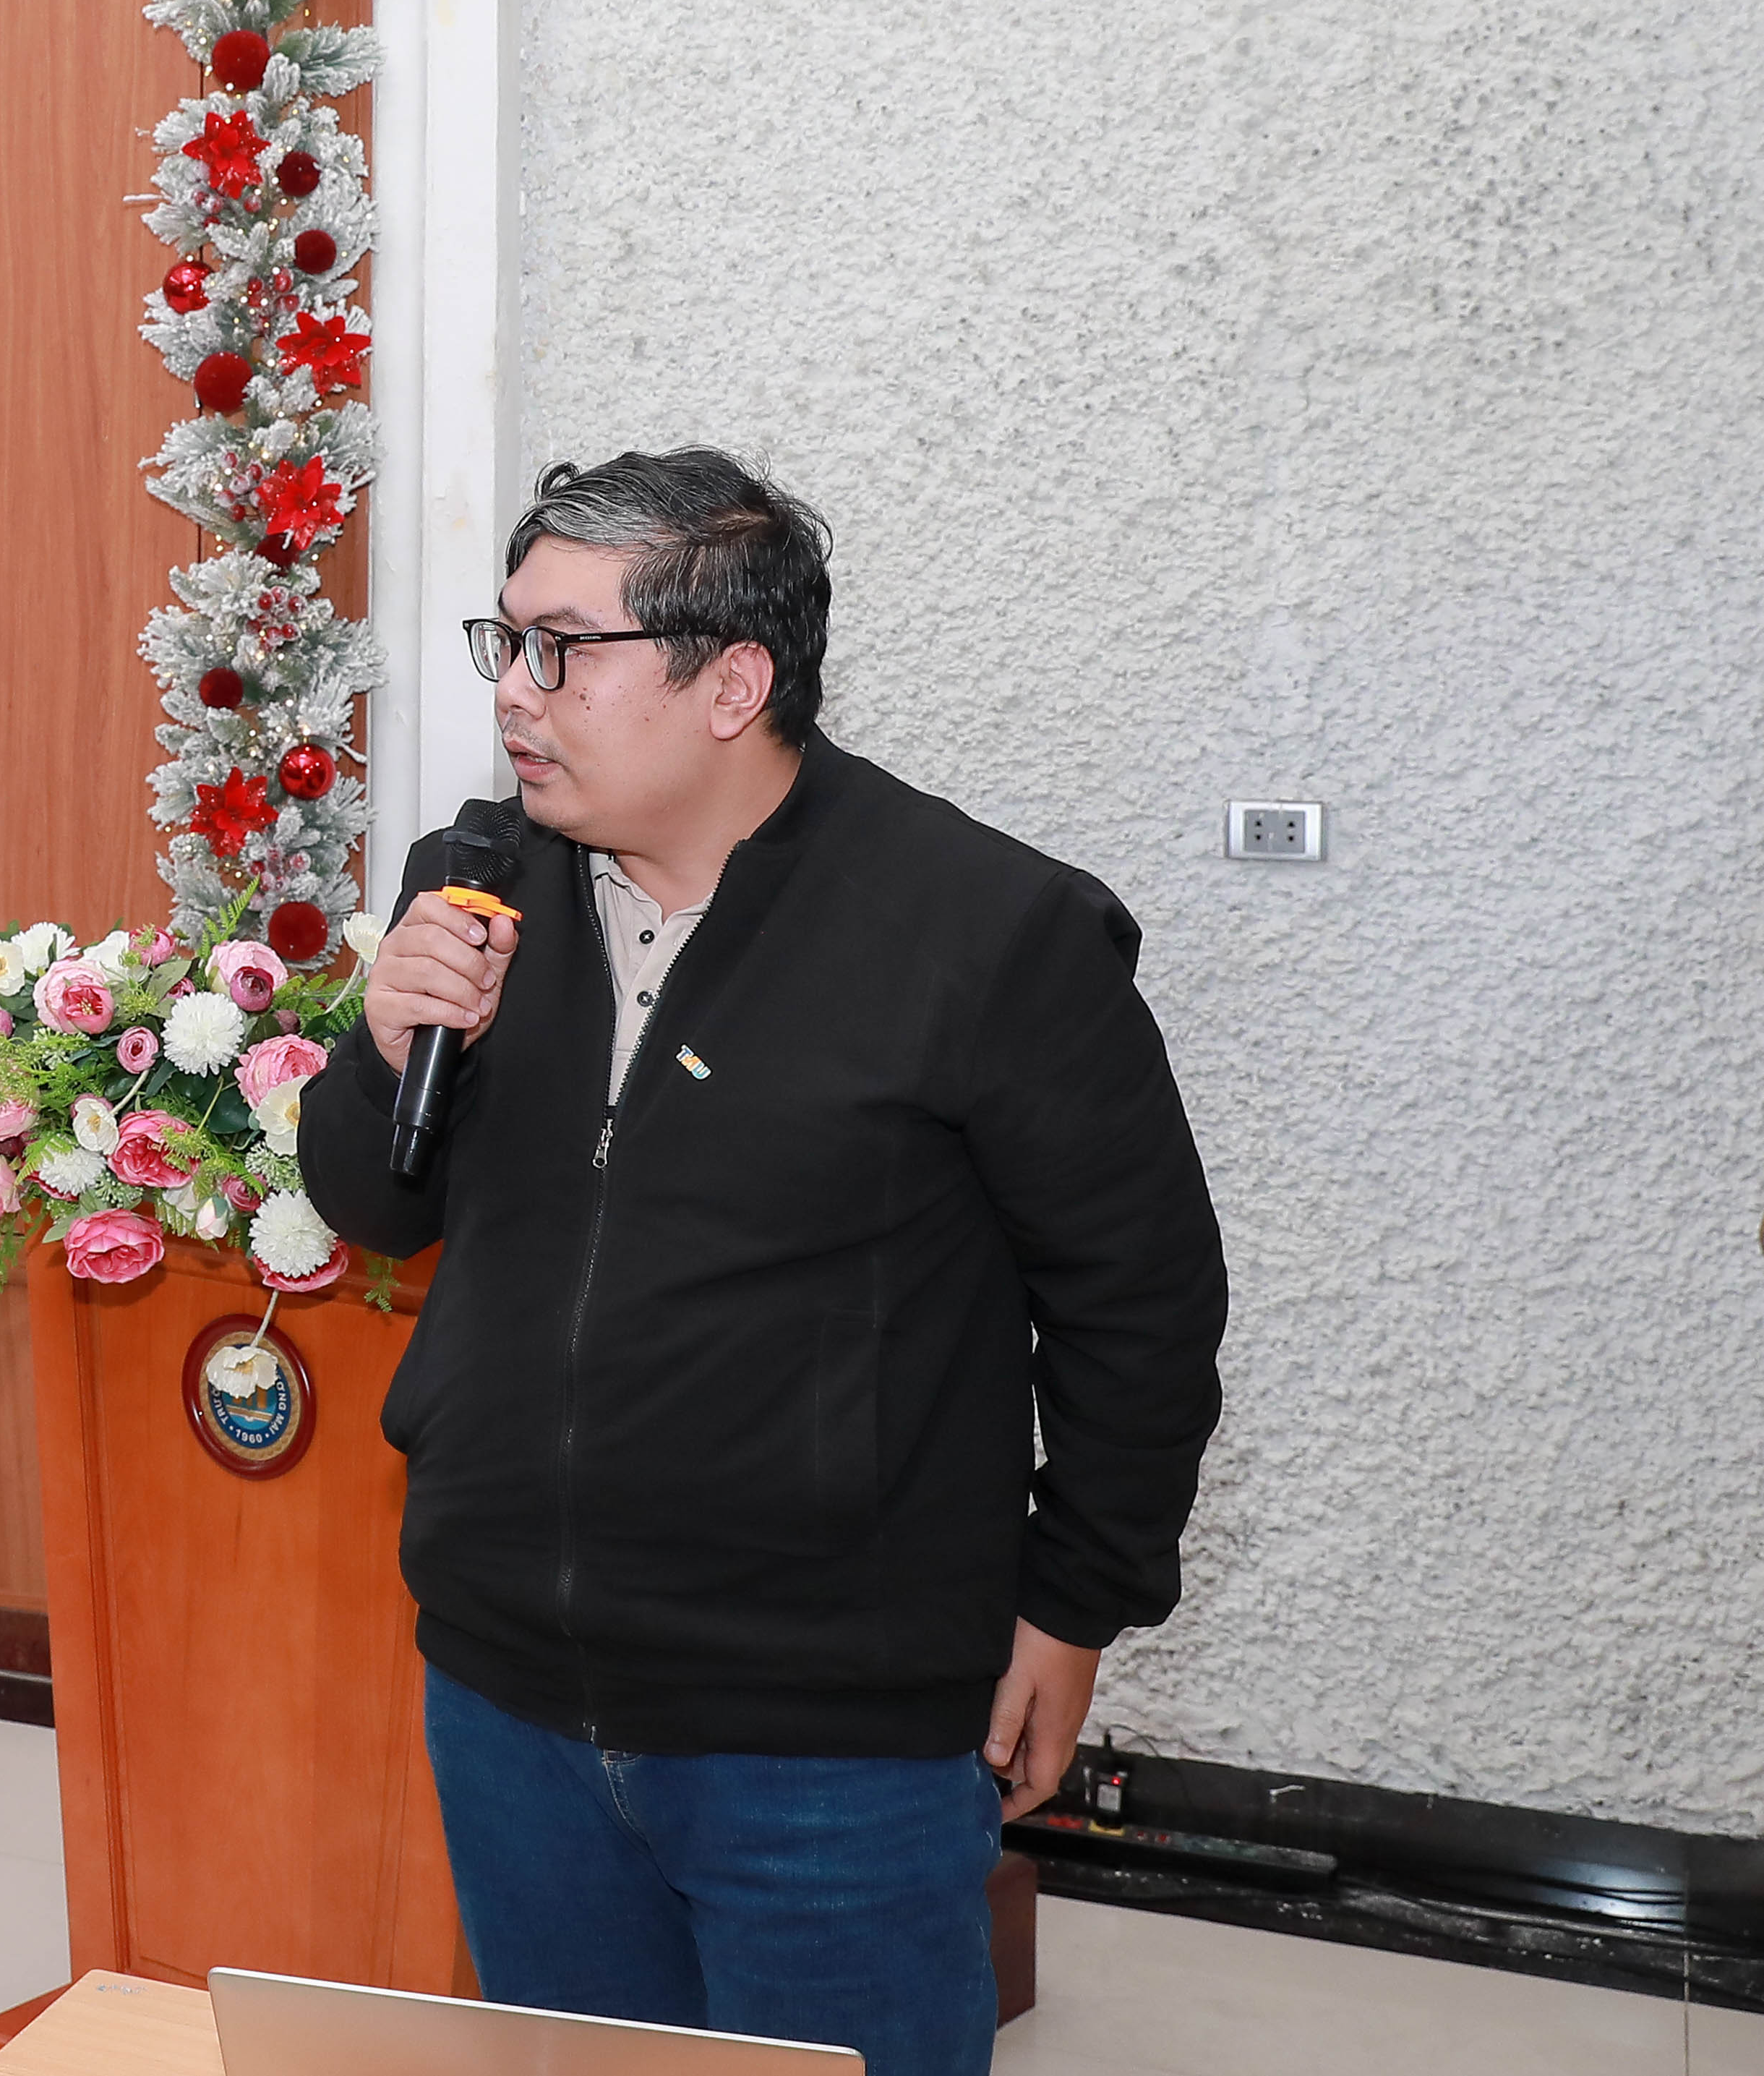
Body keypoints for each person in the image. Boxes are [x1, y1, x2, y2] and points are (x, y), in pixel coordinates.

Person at [295, 450, 1226, 2076]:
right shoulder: (477, 877)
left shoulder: (987, 932)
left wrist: (1075, 1605)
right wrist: (384, 1047)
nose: (514, 691)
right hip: (508, 1689)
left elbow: (1136, 1307)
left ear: (732, 682)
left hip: (826, 1730)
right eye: (505, 639)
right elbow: (375, 1206)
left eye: (563, 648)